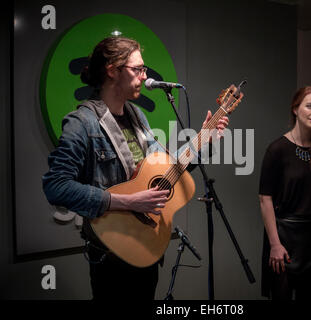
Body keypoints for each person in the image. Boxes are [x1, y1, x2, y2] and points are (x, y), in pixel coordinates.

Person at [42, 36, 229, 300]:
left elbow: (164, 173)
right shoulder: (81, 122)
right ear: (112, 70)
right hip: (112, 256)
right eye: (138, 69)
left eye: (144, 69)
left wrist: (203, 140)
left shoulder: (137, 116)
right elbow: (55, 186)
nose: (144, 76)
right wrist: (128, 202)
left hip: (147, 248)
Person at [259, 86, 311, 301]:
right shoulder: (277, 149)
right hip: (285, 238)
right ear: (295, 109)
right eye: (310, 106)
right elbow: (265, 199)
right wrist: (275, 244)